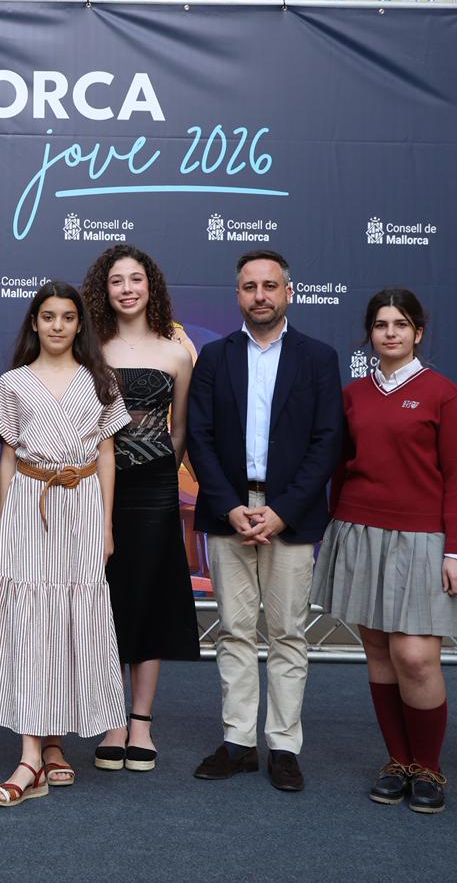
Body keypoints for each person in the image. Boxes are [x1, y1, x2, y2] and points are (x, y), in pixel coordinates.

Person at [310, 288, 457, 814]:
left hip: (423, 539)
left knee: (416, 657)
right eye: (381, 325)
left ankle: (428, 765)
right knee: (379, 652)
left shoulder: (443, 394)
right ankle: (398, 761)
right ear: (370, 334)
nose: (390, 333)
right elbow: (339, 468)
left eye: (401, 324)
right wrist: (331, 529)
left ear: (417, 333)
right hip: (359, 530)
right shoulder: (354, 394)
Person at [185, 249, 342, 793]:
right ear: (238, 295)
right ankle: (238, 743)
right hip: (228, 511)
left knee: (287, 633)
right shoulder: (215, 356)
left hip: (289, 516)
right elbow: (199, 437)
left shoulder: (318, 358)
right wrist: (230, 505)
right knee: (233, 631)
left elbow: (327, 442)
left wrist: (282, 511)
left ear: (288, 292)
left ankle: (283, 747)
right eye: (250, 287)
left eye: (270, 286)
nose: (260, 295)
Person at [0, 282, 127, 807]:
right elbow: (8, 458)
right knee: (31, 623)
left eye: (67, 317)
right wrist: (4, 523)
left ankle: (54, 742)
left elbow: (107, 456)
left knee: (67, 621)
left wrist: (106, 526)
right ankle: (30, 758)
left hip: (81, 506)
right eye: (48, 316)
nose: (57, 325)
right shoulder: (13, 382)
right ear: (34, 323)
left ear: (80, 324)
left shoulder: (100, 379)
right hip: (28, 506)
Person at [80, 245, 200, 774]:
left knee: (149, 597)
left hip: (154, 490)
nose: (127, 289)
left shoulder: (177, 354)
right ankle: (111, 719)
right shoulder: (89, 347)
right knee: (105, 600)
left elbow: (180, 430)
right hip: (93, 487)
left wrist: (157, 471)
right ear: (103, 291)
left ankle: (141, 721)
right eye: (116, 281)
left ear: (151, 286)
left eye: (136, 279)